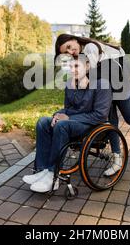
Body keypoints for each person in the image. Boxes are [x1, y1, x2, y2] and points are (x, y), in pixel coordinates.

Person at [54, 34, 130, 176]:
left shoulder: (89, 48)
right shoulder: (80, 54)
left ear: (74, 39)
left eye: (69, 47)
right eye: (65, 52)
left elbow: (89, 77)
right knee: (111, 121)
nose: (70, 52)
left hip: (118, 81)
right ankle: (117, 159)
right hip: (105, 85)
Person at [23, 55, 112, 193]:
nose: (72, 70)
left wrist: (68, 118)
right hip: (73, 122)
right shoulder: (70, 84)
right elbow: (68, 109)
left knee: (61, 125)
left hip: (92, 125)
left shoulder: (101, 85)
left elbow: (100, 115)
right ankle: (42, 170)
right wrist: (57, 115)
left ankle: (53, 174)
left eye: (76, 66)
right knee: (43, 122)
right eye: (70, 67)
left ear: (87, 66)